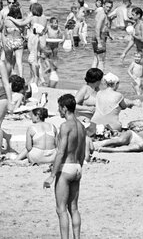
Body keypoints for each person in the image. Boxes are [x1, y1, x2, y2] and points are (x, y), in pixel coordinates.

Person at [45, 94, 85, 239]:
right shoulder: (81, 126)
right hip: (77, 168)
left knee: (61, 209)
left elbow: (61, 152)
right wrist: (78, 168)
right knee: (73, 208)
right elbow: (82, 152)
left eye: (60, 108)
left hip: (66, 167)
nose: (59, 111)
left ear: (65, 108)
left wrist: (52, 175)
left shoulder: (65, 126)